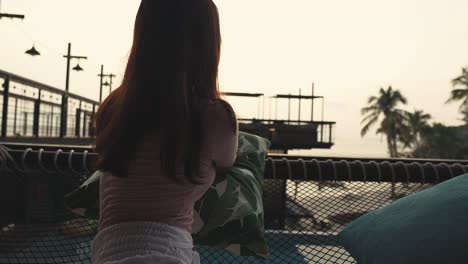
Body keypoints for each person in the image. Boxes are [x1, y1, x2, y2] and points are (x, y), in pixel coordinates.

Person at [91, 0, 238, 263]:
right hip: (168, 251)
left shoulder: (113, 109)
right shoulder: (215, 116)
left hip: (108, 251)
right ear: (207, 45)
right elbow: (228, 162)